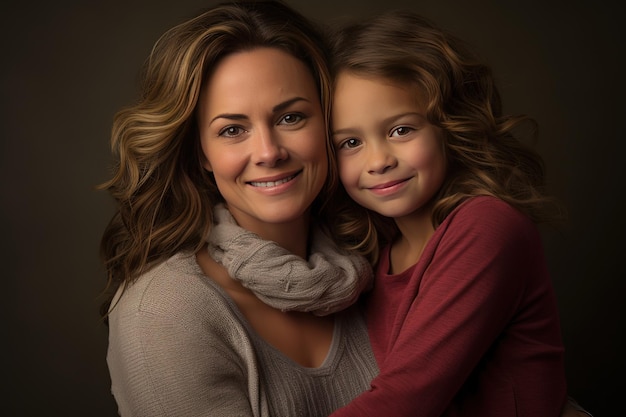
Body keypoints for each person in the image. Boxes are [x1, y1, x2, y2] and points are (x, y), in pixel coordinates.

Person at [99, 1, 379, 416]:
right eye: (232, 130)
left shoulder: (376, 261)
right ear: (202, 154)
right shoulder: (167, 310)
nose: (268, 152)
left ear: (328, 122)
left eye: (291, 118)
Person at [326, 9, 570, 417]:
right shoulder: (379, 253)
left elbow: (404, 399)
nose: (378, 160)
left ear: (447, 125)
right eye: (350, 142)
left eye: (401, 130)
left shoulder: (487, 225)